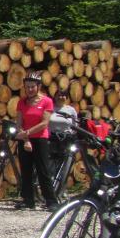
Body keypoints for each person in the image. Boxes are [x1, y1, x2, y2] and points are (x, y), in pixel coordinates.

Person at [15, 71, 59, 211]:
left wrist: (27, 133)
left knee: (43, 170)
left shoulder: (47, 101)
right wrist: (26, 139)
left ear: (38, 86)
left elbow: (44, 123)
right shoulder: (22, 101)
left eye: (32, 87)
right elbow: (19, 122)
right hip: (25, 139)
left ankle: (51, 200)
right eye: (27, 87)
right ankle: (28, 199)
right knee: (26, 170)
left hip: (40, 139)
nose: (29, 89)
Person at [48, 90, 77, 177]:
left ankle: (59, 184)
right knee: (50, 162)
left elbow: (75, 125)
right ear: (55, 96)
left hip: (65, 139)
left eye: (63, 95)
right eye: (59, 95)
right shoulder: (50, 108)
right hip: (51, 138)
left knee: (63, 163)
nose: (61, 97)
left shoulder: (71, 110)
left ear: (67, 98)